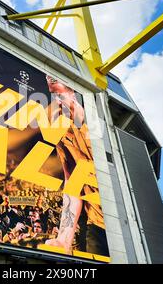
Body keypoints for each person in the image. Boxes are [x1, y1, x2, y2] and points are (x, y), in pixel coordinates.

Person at [44, 75, 109, 257]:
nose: (58, 102)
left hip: (125, 224)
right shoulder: (61, 128)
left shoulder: (102, 117)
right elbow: (72, 185)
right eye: (54, 97)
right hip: (97, 226)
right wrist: (64, 239)